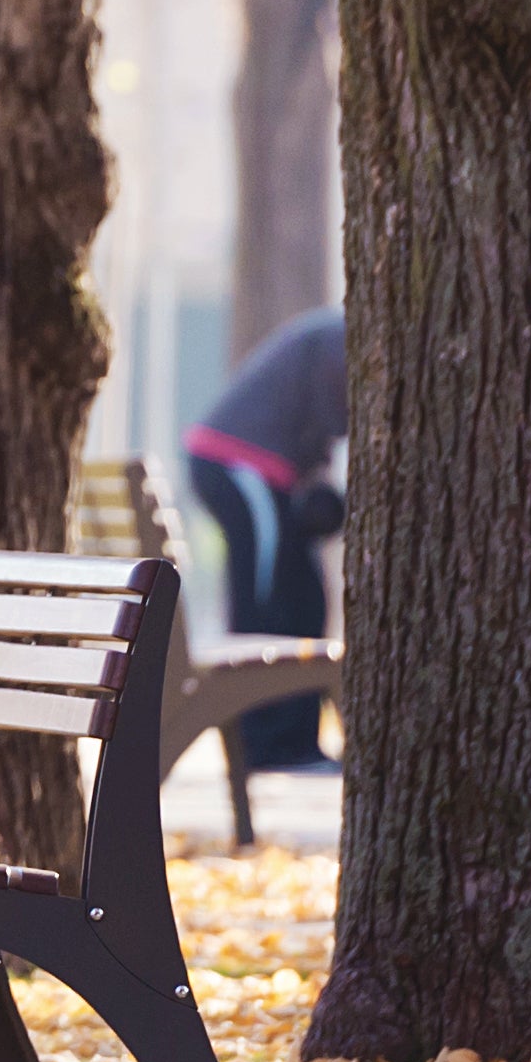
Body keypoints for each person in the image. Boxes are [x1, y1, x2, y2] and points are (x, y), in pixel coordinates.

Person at [182, 307, 344, 772]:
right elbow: (335, 409)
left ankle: (292, 742)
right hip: (241, 464)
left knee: (303, 596)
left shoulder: (328, 336)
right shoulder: (340, 338)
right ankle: (268, 745)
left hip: (261, 472)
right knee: (267, 600)